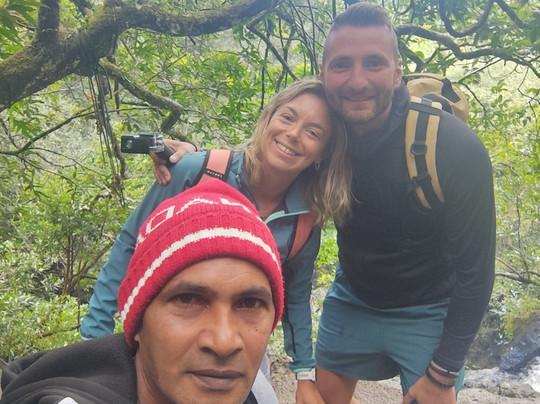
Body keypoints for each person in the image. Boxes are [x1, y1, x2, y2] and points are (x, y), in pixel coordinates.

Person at [154, 4, 496, 404]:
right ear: (324, 73)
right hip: (353, 299)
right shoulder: (325, 134)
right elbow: (267, 162)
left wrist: (443, 372)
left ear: (397, 72)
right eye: (342, 65)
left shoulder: (452, 147)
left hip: (430, 309)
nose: (357, 80)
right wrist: (190, 160)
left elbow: (477, 271)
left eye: (374, 63)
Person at [80, 79, 351, 403]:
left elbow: (295, 297)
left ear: (322, 153)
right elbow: (131, 246)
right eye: (287, 117)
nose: (293, 134)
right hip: (171, 342)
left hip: (239, 348)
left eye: (313, 132)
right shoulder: (198, 171)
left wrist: (304, 374)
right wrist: (94, 336)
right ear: (268, 119)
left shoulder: (304, 220)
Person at [0, 180, 285, 404]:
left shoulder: (258, 393)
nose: (224, 342)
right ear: (137, 322)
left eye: (250, 303)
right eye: (187, 299)